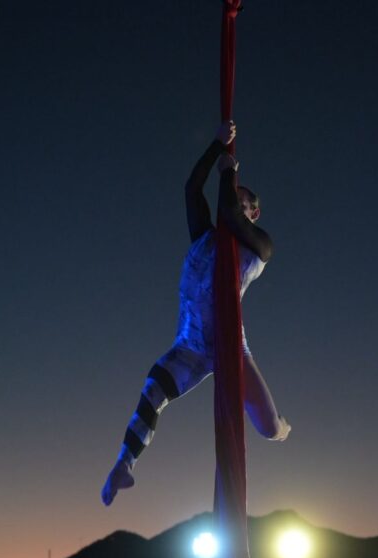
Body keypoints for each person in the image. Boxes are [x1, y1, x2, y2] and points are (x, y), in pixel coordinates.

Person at [101, 120, 290, 506]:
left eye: (242, 199)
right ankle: (124, 466)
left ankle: (285, 427)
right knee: (152, 390)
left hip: (230, 349)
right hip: (190, 346)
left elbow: (231, 215)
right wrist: (217, 147)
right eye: (233, 194)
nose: (233, 199)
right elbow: (192, 188)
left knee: (270, 430)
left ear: (253, 213)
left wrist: (230, 171)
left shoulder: (259, 246)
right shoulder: (204, 236)